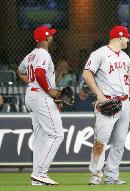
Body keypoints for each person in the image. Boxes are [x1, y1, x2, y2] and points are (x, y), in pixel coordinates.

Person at [82, 25, 130, 185]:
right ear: (119, 37)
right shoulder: (99, 54)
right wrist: (99, 96)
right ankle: (95, 174)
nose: (128, 39)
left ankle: (111, 176)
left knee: (120, 142)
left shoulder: (125, 57)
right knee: (101, 140)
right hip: (107, 103)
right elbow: (86, 74)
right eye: (127, 37)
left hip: (125, 103)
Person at [17, 25, 63, 186]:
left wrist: (32, 84)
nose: (52, 37)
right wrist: (49, 90)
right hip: (41, 96)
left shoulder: (31, 55)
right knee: (57, 134)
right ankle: (40, 173)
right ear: (46, 38)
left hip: (32, 95)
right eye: (50, 35)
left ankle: (37, 178)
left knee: (41, 137)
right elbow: (39, 73)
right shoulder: (43, 53)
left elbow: (20, 71)